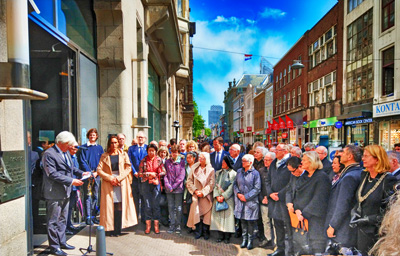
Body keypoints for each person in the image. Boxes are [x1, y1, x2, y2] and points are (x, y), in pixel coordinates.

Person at [42, 131, 89, 256]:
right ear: (60, 143)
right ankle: (54, 246)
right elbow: (52, 173)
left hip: (65, 191)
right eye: (68, 144)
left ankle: (62, 241)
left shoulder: (65, 153)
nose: (70, 146)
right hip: (55, 192)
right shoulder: (49, 154)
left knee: (63, 218)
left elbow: (71, 168)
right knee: (53, 220)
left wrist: (81, 173)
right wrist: (72, 180)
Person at [351, 145, 397, 256]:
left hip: (377, 233)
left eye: (366, 156)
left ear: (377, 159)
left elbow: (390, 210)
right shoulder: (364, 175)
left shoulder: (388, 179)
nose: (363, 158)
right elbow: (360, 199)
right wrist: (354, 212)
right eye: (363, 156)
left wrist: (369, 219)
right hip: (361, 231)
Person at [96, 136, 137, 236]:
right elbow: (99, 170)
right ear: (109, 144)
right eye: (112, 143)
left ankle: (118, 230)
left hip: (121, 182)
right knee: (110, 206)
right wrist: (111, 179)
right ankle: (110, 228)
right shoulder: (104, 156)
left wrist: (118, 179)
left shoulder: (123, 154)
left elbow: (128, 168)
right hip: (109, 182)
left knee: (120, 205)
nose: (114, 145)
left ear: (118, 143)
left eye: (115, 142)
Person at [325, 146, 363, 253]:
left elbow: (343, 204)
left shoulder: (349, 176)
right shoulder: (355, 172)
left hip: (344, 227)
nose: (340, 154)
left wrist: (333, 225)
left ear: (350, 156)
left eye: (343, 152)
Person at [292, 151, 331, 254]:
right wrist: (297, 209)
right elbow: (296, 193)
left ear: (311, 162)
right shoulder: (304, 176)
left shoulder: (322, 177)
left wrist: (304, 213)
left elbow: (319, 199)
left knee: (316, 244)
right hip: (301, 217)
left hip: (315, 218)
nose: (301, 162)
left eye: (304, 160)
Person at [266, 143, 292, 256]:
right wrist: (270, 193)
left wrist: (280, 194)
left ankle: (290, 251)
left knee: (289, 227)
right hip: (274, 201)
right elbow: (267, 180)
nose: (275, 152)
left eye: (278, 150)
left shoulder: (291, 162)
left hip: (285, 201)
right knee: (277, 226)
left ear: (285, 151)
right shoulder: (273, 163)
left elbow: (292, 182)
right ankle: (280, 249)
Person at [234, 154, 261, 250]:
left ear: (250, 162)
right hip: (240, 201)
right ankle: (244, 239)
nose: (242, 163)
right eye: (242, 161)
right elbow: (235, 184)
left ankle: (250, 240)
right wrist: (238, 194)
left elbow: (257, 188)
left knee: (250, 222)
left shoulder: (255, 173)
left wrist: (246, 197)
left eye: (244, 161)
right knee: (242, 221)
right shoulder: (239, 171)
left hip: (251, 202)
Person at [186, 152, 215, 240]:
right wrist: (195, 190)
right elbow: (189, 181)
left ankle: (206, 232)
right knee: (196, 213)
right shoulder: (194, 167)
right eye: (199, 158)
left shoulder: (211, 170)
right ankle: (198, 231)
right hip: (196, 195)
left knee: (206, 214)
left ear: (206, 160)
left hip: (206, 196)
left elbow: (211, 184)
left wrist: (203, 192)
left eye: (202, 158)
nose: (200, 160)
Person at [138, 144, 166, 234]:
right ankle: (148, 225)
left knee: (156, 205)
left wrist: (156, 176)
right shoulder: (144, 160)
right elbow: (140, 173)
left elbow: (163, 172)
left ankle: (156, 226)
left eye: (153, 150)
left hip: (155, 183)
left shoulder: (159, 160)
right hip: (146, 184)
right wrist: (148, 174)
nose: (151, 152)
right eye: (149, 150)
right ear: (147, 151)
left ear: (155, 151)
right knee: (147, 205)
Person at [78, 128, 104, 225]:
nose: (92, 136)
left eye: (94, 135)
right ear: (88, 136)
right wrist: (89, 173)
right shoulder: (83, 148)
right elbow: (82, 161)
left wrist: (97, 172)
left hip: (97, 175)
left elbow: (102, 161)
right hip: (87, 176)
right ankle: (88, 216)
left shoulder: (99, 148)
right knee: (88, 195)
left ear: (96, 136)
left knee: (95, 196)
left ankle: (93, 216)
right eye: (90, 135)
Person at [210, 156, 237, 244]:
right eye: (222, 162)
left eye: (224, 163)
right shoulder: (218, 173)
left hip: (227, 199)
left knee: (227, 218)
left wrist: (224, 196)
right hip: (218, 198)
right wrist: (217, 196)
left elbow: (232, 187)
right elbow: (214, 185)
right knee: (218, 218)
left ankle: (227, 237)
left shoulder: (233, 174)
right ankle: (220, 235)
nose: (222, 164)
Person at [164, 145, 186, 234]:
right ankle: (172, 225)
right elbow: (165, 174)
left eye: (176, 152)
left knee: (179, 208)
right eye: (172, 152)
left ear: (179, 153)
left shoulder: (182, 162)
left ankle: (178, 225)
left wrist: (173, 187)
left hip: (178, 189)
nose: (174, 154)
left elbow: (181, 176)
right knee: (170, 207)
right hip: (169, 189)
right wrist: (168, 186)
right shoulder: (167, 162)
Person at [128, 131, 148, 221]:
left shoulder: (148, 148)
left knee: (144, 197)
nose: (140, 139)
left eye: (142, 137)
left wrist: (143, 173)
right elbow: (129, 161)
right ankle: (135, 218)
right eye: (139, 137)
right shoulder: (131, 149)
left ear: (145, 139)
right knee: (135, 197)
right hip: (135, 176)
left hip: (144, 177)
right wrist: (135, 172)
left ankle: (144, 218)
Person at [258, 152, 276, 249]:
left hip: (273, 201)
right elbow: (258, 186)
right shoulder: (261, 171)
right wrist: (262, 198)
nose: (265, 161)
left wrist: (269, 197)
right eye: (264, 159)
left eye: (267, 160)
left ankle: (276, 242)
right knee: (265, 221)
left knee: (274, 222)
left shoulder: (276, 171)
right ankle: (267, 238)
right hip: (263, 201)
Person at [65, 142, 81, 235]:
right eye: (73, 148)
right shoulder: (67, 157)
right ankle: (66, 226)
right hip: (69, 184)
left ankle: (69, 223)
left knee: (71, 206)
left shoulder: (75, 157)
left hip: (75, 186)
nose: (75, 150)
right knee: (66, 207)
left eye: (76, 149)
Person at [183, 151, 198, 231]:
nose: (188, 159)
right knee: (187, 207)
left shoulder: (197, 167)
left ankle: (194, 225)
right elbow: (183, 177)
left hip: (194, 189)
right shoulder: (185, 167)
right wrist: (186, 183)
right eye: (187, 158)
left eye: (190, 157)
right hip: (186, 190)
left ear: (194, 158)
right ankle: (188, 225)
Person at [157, 146, 170, 227]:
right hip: (159, 184)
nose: (163, 154)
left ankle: (165, 220)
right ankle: (159, 220)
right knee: (159, 203)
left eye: (164, 152)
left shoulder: (168, 161)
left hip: (167, 185)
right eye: (161, 152)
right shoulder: (157, 161)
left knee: (166, 204)